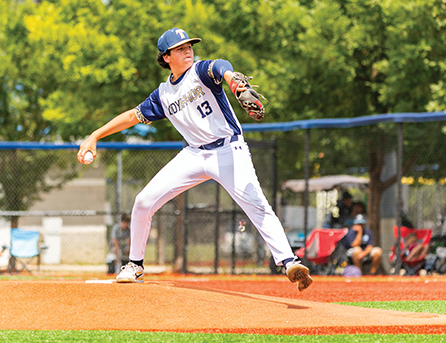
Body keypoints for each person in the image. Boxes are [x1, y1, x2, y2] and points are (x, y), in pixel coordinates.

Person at [77, 27, 312, 291]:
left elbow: (221, 67)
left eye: (189, 46)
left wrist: (233, 81)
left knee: (256, 204)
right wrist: (95, 135)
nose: (188, 50)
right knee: (143, 201)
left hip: (228, 151)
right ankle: (135, 265)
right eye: (180, 48)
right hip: (194, 154)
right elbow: (133, 116)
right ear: (166, 57)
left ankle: (290, 262)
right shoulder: (163, 95)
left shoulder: (200, 71)